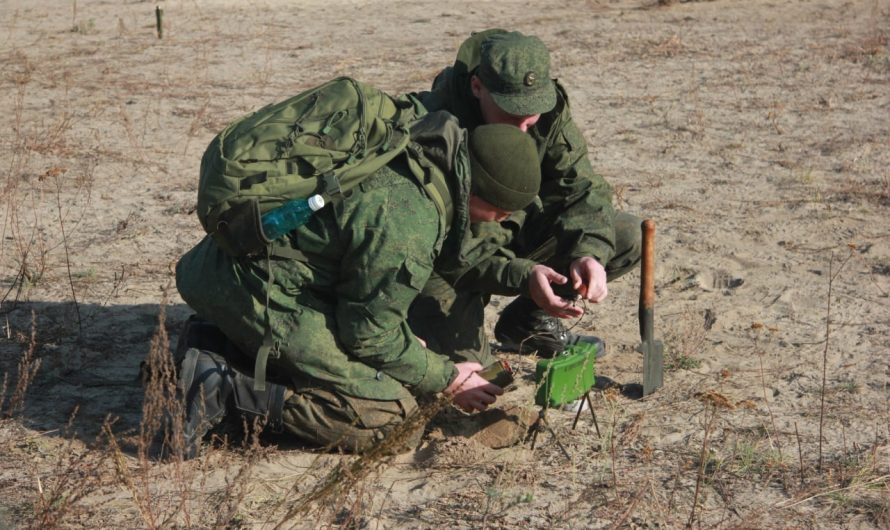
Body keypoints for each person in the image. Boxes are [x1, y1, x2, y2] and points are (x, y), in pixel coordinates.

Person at [173, 112, 542, 456]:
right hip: (257, 291)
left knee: (398, 363)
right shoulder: (410, 221)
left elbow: (359, 278)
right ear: (482, 197)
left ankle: (217, 344)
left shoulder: (418, 152)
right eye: (500, 215)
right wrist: (447, 377)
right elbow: (367, 335)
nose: (495, 224)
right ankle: (222, 390)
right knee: (393, 419)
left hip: (229, 264)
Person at [406, 29, 642, 368]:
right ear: (477, 87)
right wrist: (522, 274)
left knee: (624, 235)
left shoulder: (545, 112)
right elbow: (440, 249)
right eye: (511, 112)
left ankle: (526, 322)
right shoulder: (435, 123)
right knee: (468, 371)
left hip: (513, 230)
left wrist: (588, 253)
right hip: (452, 262)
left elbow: (581, 188)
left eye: (531, 112)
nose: (523, 126)